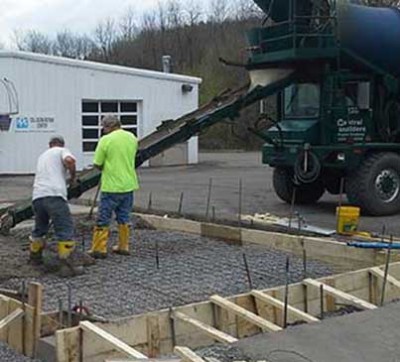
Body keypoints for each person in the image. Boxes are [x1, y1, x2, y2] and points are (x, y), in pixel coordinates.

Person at [30, 135, 84, 276]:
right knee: (65, 228)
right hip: (54, 195)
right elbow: (70, 161)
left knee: (40, 228)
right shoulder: (62, 150)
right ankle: (66, 266)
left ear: (50, 145)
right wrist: (72, 178)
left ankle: (35, 259)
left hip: (37, 196)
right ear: (61, 144)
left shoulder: (42, 156)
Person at [89, 115, 139, 258]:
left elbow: (97, 164)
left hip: (111, 186)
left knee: (103, 218)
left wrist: (105, 166)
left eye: (103, 127)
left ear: (108, 126)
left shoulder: (105, 140)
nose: (103, 130)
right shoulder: (131, 137)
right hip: (128, 185)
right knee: (124, 217)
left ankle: (99, 249)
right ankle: (123, 246)